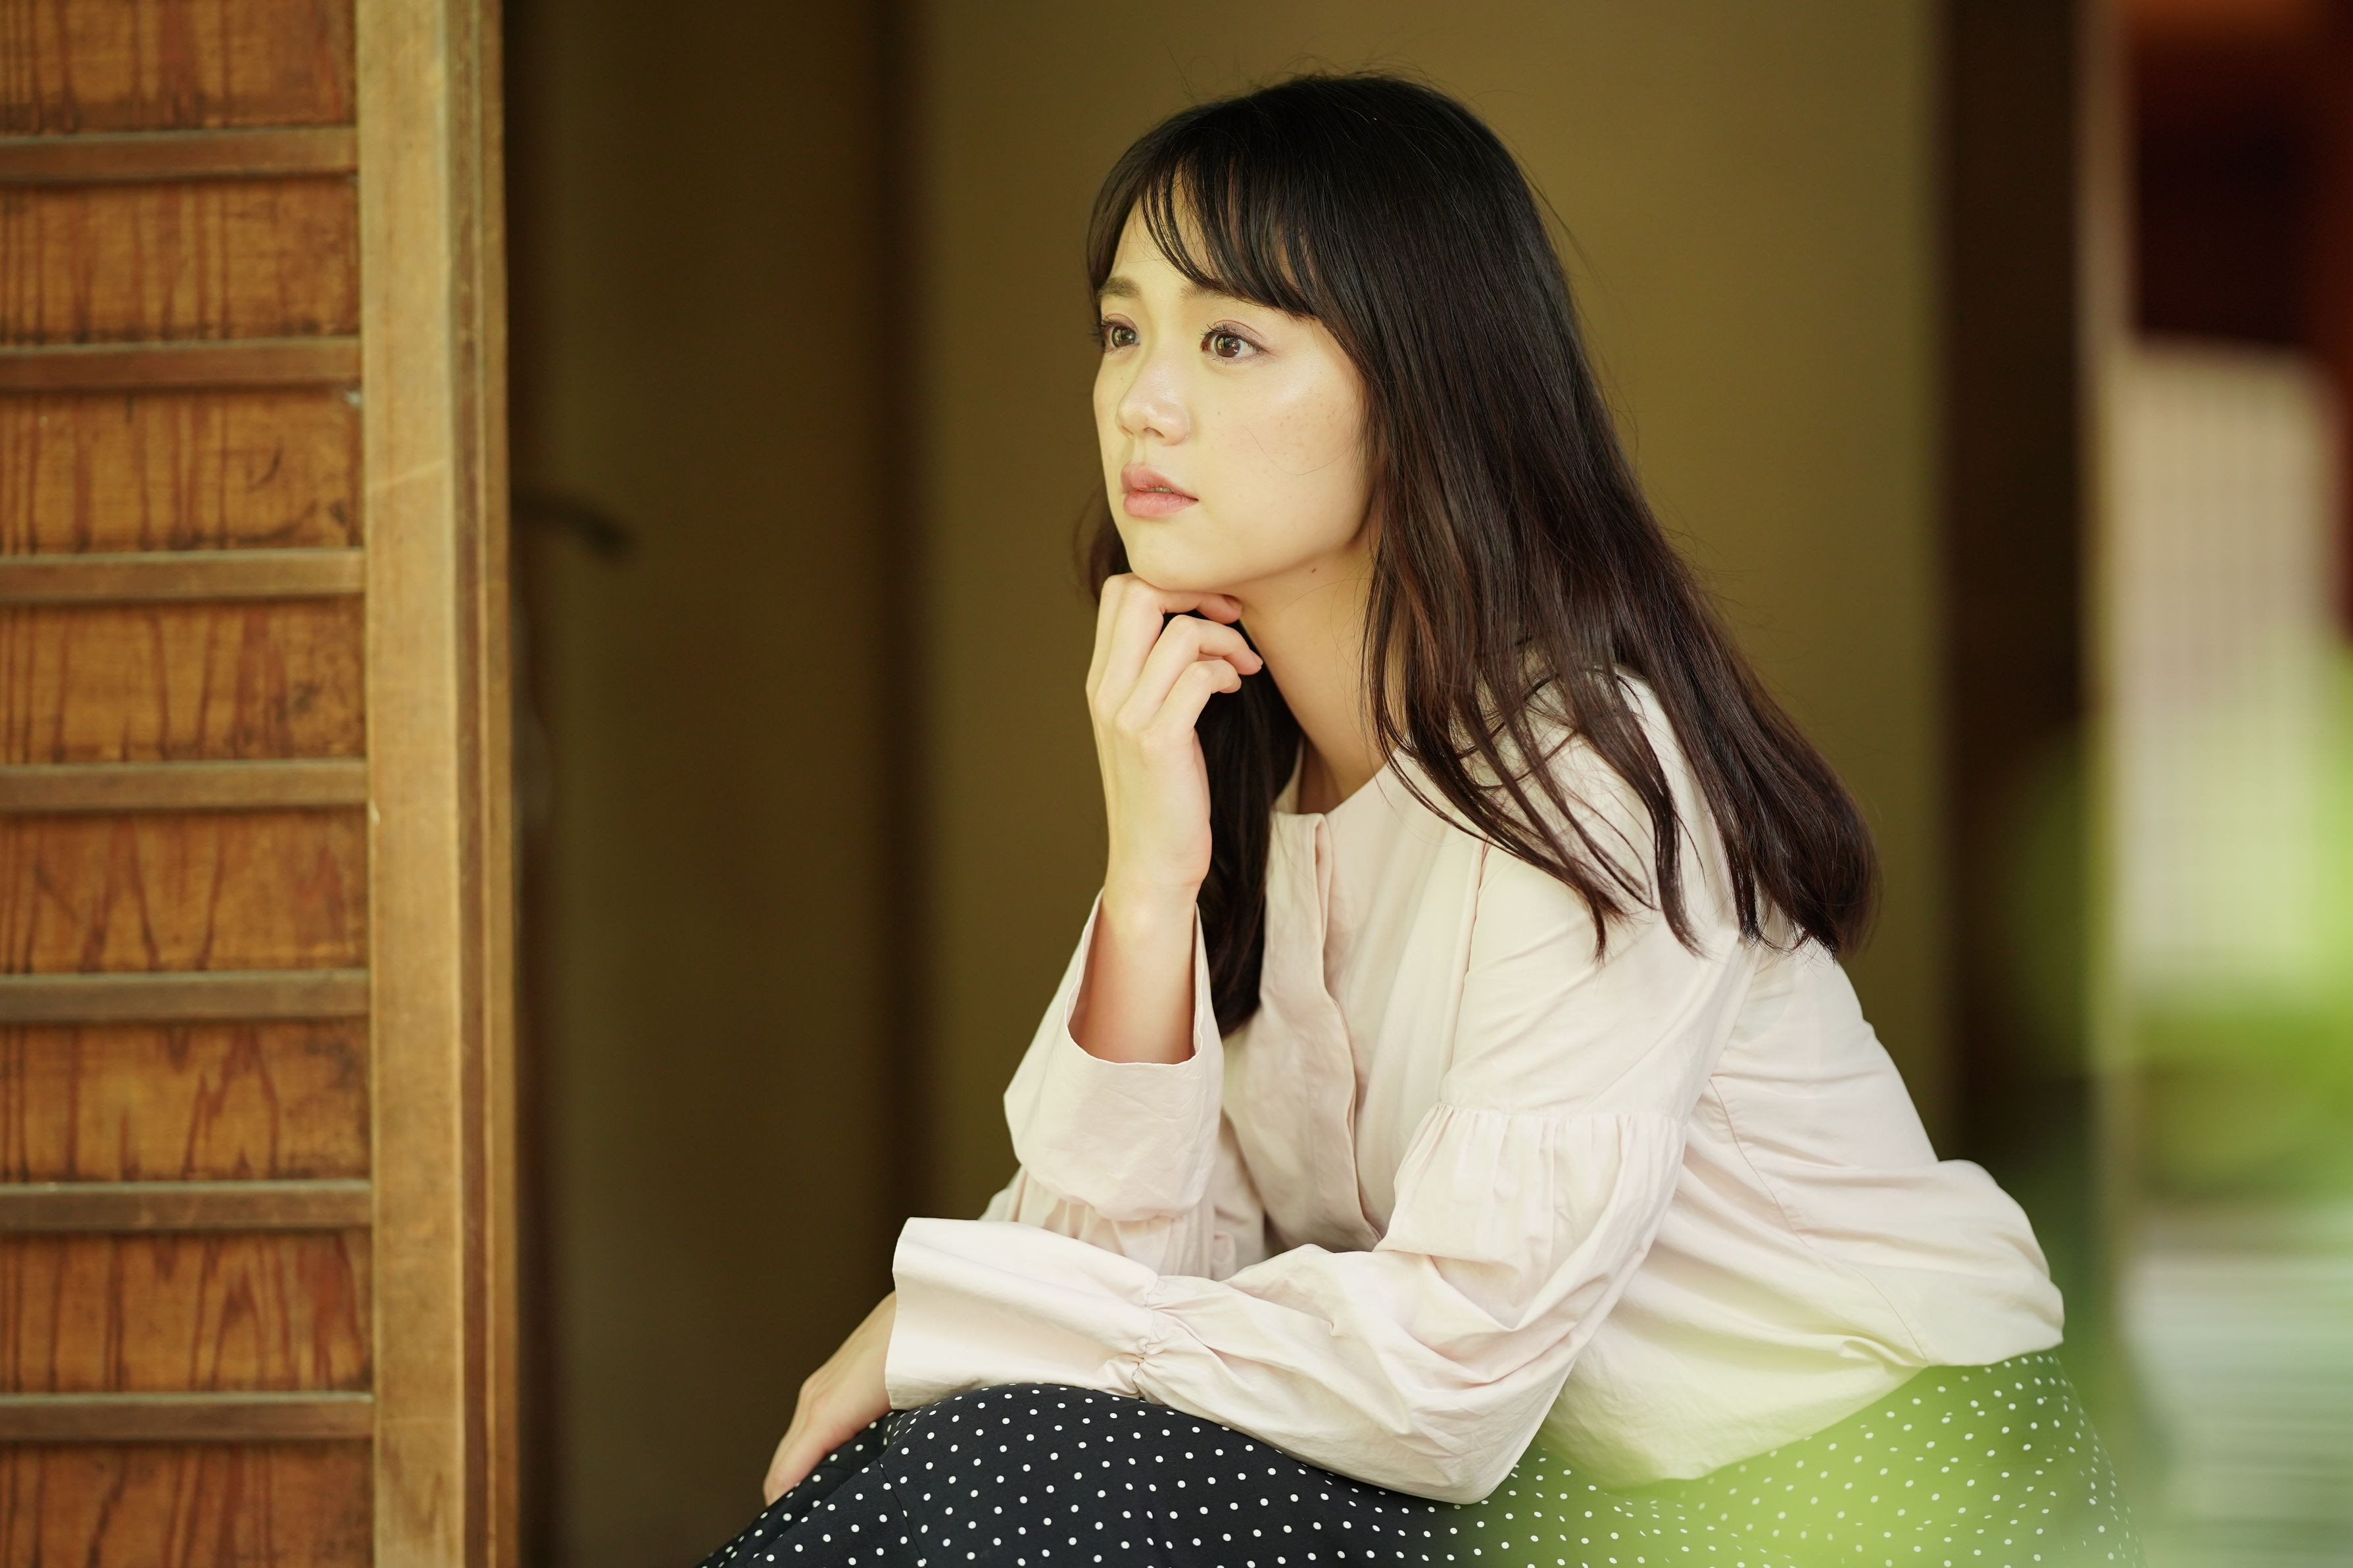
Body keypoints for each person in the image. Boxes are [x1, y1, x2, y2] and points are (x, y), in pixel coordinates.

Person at [694, 70, 2143, 1568]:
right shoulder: (1246, 794)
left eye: (1230, 339)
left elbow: (1446, 1370)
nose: (1142, 400)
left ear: (1422, 382)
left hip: (1893, 1491)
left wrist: (961, 1320)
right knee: (1000, 1454)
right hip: (1592, 1502)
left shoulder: (1586, 770)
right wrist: (1148, 886)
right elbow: (1085, 1301)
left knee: (1011, 1468)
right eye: (1122, 331)